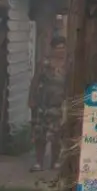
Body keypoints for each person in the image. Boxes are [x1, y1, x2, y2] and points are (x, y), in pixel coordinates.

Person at [28, 35, 68, 172]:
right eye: (58, 48)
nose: (60, 51)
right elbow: (35, 81)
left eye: (63, 48)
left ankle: (55, 162)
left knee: (56, 135)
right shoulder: (44, 63)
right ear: (52, 49)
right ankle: (39, 162)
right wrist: (31, 99)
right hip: (43, 104)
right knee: (40, 135)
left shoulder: (68, 64)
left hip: (60, 104)